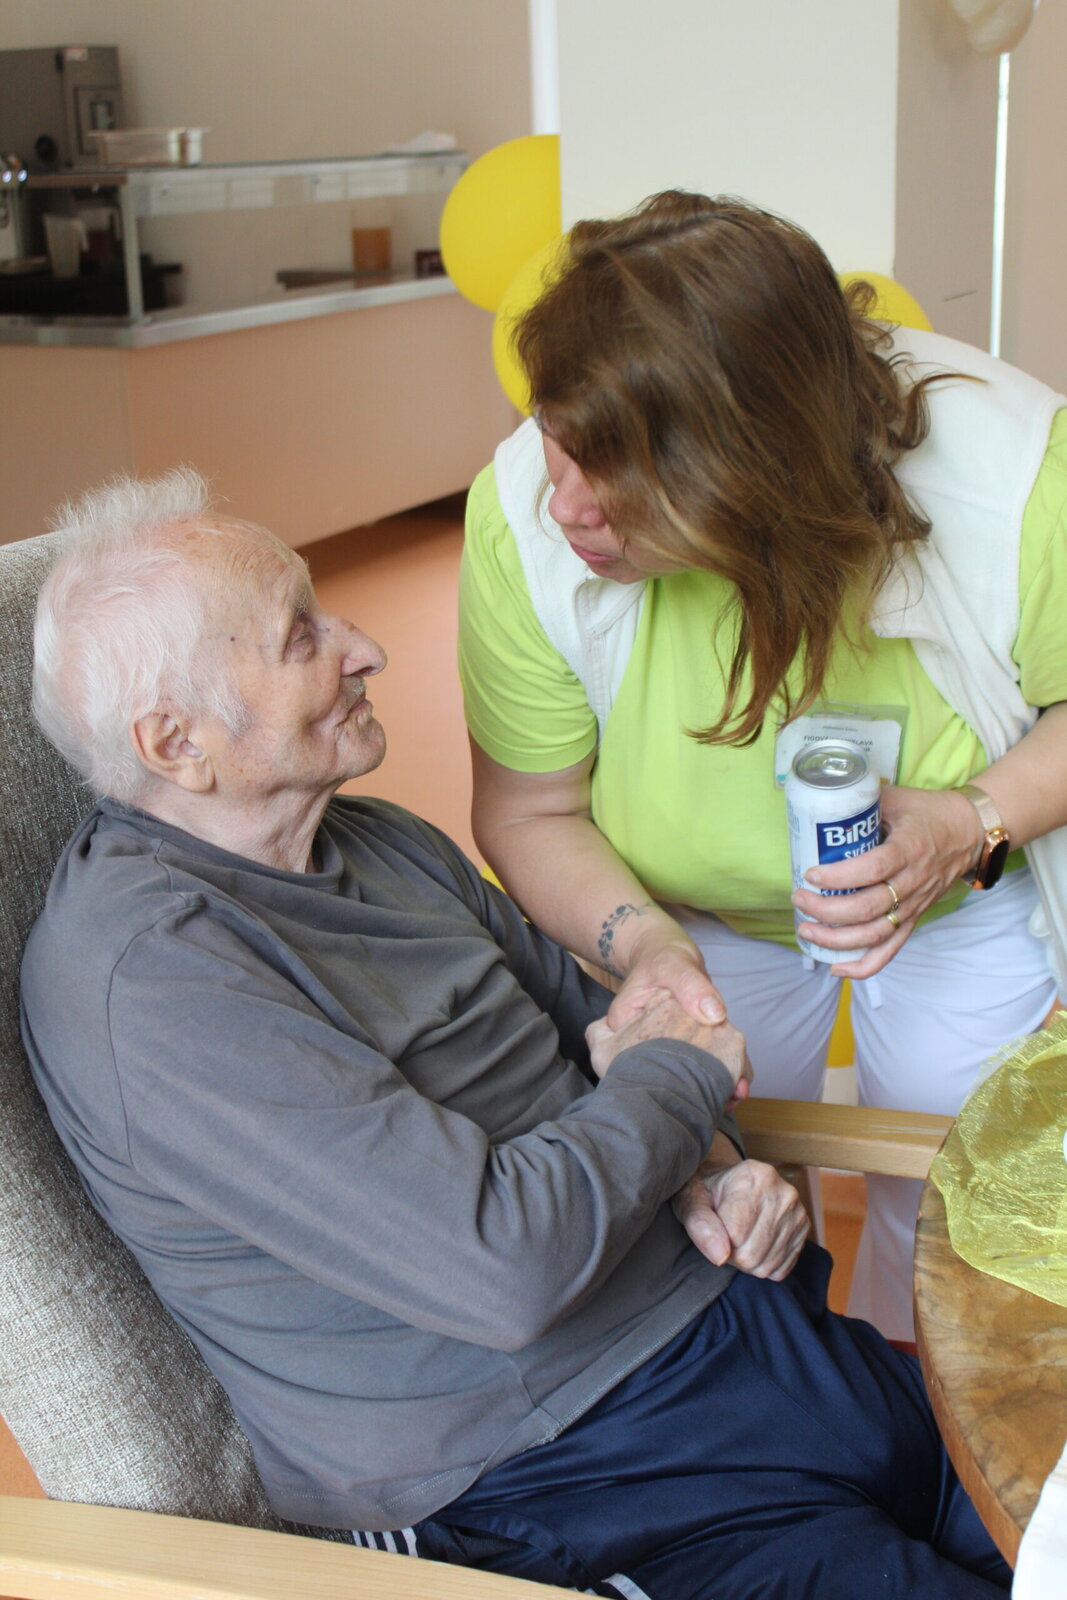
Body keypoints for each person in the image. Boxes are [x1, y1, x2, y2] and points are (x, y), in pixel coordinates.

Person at [21, 470, 1009, 1599]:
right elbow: (504, 1264)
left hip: (754, 1334)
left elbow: (602, 1029)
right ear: (175, 742)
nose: (363, 648)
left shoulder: (379, 841)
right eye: (301, 636)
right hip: (571, 1471)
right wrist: (680, 1085)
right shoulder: (155, 985)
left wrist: (718, 1168)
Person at [458, 190, 1067, 1342]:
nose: (564, 507)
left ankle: (916, 1407)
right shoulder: (523, 519)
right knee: (713, 1217)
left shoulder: (1015, 474)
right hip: (679, 916)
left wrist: (970, 822)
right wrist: (647, 947)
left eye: (614, 476)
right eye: (557, 442)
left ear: (751, 471)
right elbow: (528, 811)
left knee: (960, 1218)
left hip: (961, 894)